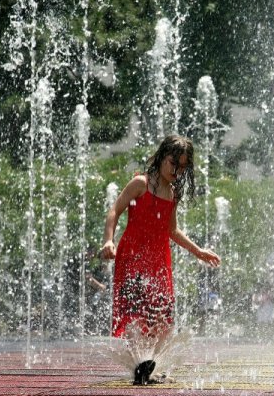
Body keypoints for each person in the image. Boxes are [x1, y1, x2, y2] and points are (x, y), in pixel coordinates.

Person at [100, 134, 221, 385]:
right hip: (133, 255)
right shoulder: (140, 183)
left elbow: (172, 230)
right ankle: (140, 365)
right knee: (136, 312)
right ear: (162, 157)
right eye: (173, 163)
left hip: (158, 258)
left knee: (163, 316)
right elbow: (115, 210)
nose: (177, 170)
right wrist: (108, 240)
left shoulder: (173, 194)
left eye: (182, 166)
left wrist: (199, 251)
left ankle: (148, 366)